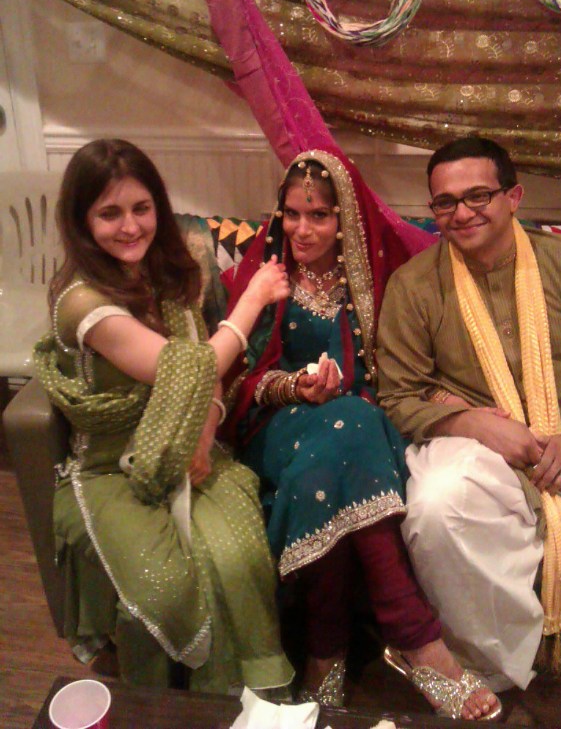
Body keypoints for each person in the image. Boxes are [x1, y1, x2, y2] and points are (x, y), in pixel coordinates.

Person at [225, 148, 501, 720]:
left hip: (363, 432)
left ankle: (326, 651)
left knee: (348, 429)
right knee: (347, 426)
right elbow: (233, 381)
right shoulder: (264, 276)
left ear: (344, 217)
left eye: (319, 215)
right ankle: (416, 638)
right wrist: (293, 389)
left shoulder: (375, 276)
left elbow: (406, 364)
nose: (302, 229)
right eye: (293, 214)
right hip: (278, 430)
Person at [34, 138, 295, 694]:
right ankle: (162, 703)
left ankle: (246, 698)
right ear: (81, 222)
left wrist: (203, 434)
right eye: (109, 213)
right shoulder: (84, 302)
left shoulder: (169, 273)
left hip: (186, 444)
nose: (130, 227)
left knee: (237, 555)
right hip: (111, 470)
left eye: (141, 208)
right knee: (165, 590)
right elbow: (189, 368)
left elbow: (207, 387)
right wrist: (251, 300)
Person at [376, 136, 561, 694]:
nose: (462, 213)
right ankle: (492, 671)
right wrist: (474, 423)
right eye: (445, 202)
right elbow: (399, 396)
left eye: (478, 196)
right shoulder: (414, 285)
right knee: (438, 506)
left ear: (513, 196)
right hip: (479, 446)